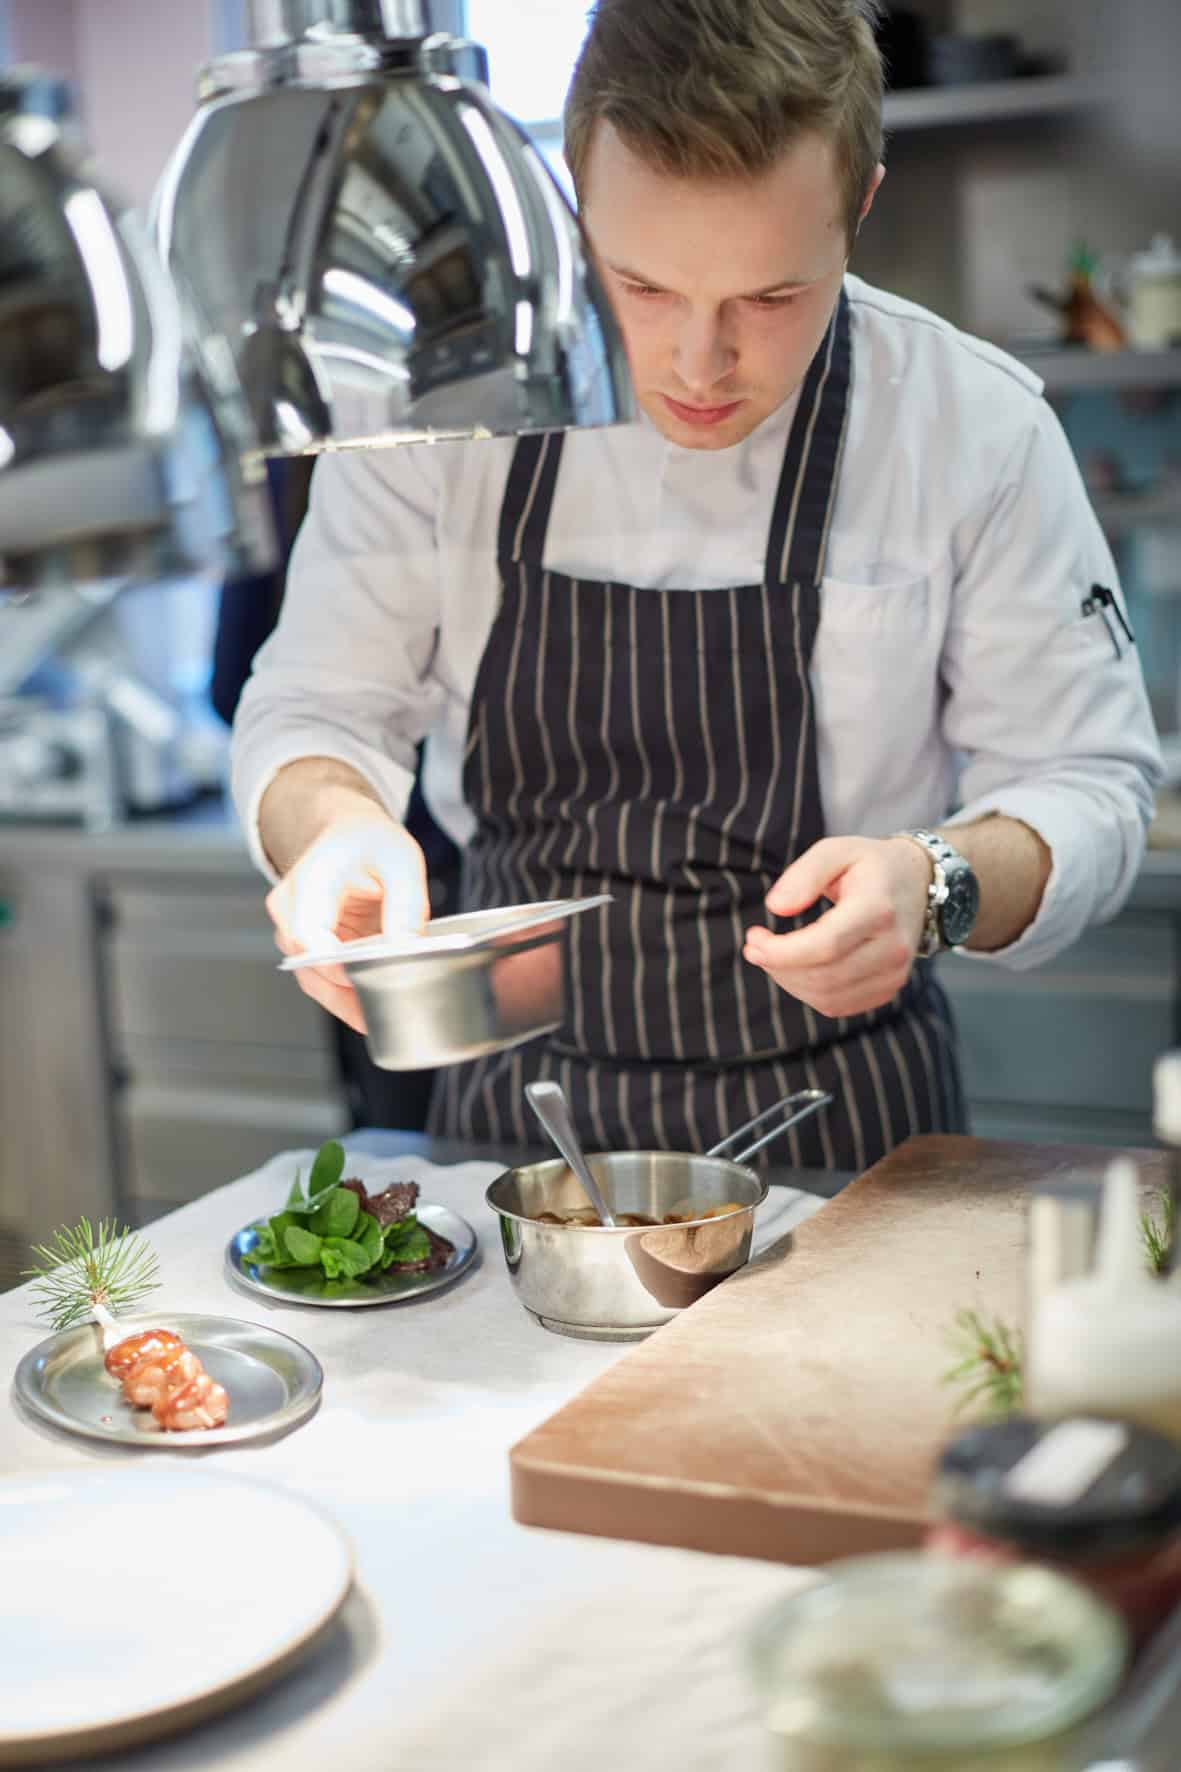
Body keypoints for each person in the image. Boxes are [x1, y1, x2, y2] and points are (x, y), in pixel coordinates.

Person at [230, 0, 1161, 1173]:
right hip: (517, 1130)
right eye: (641, 287)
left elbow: (1087, 781)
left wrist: (939, 881)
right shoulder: (435, 411)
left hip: (848, 1129)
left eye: (769, 298)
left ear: (859, 207)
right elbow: (314, 709)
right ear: (572, 199)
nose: (697, 362)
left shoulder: (970, 426)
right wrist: (335, 826)